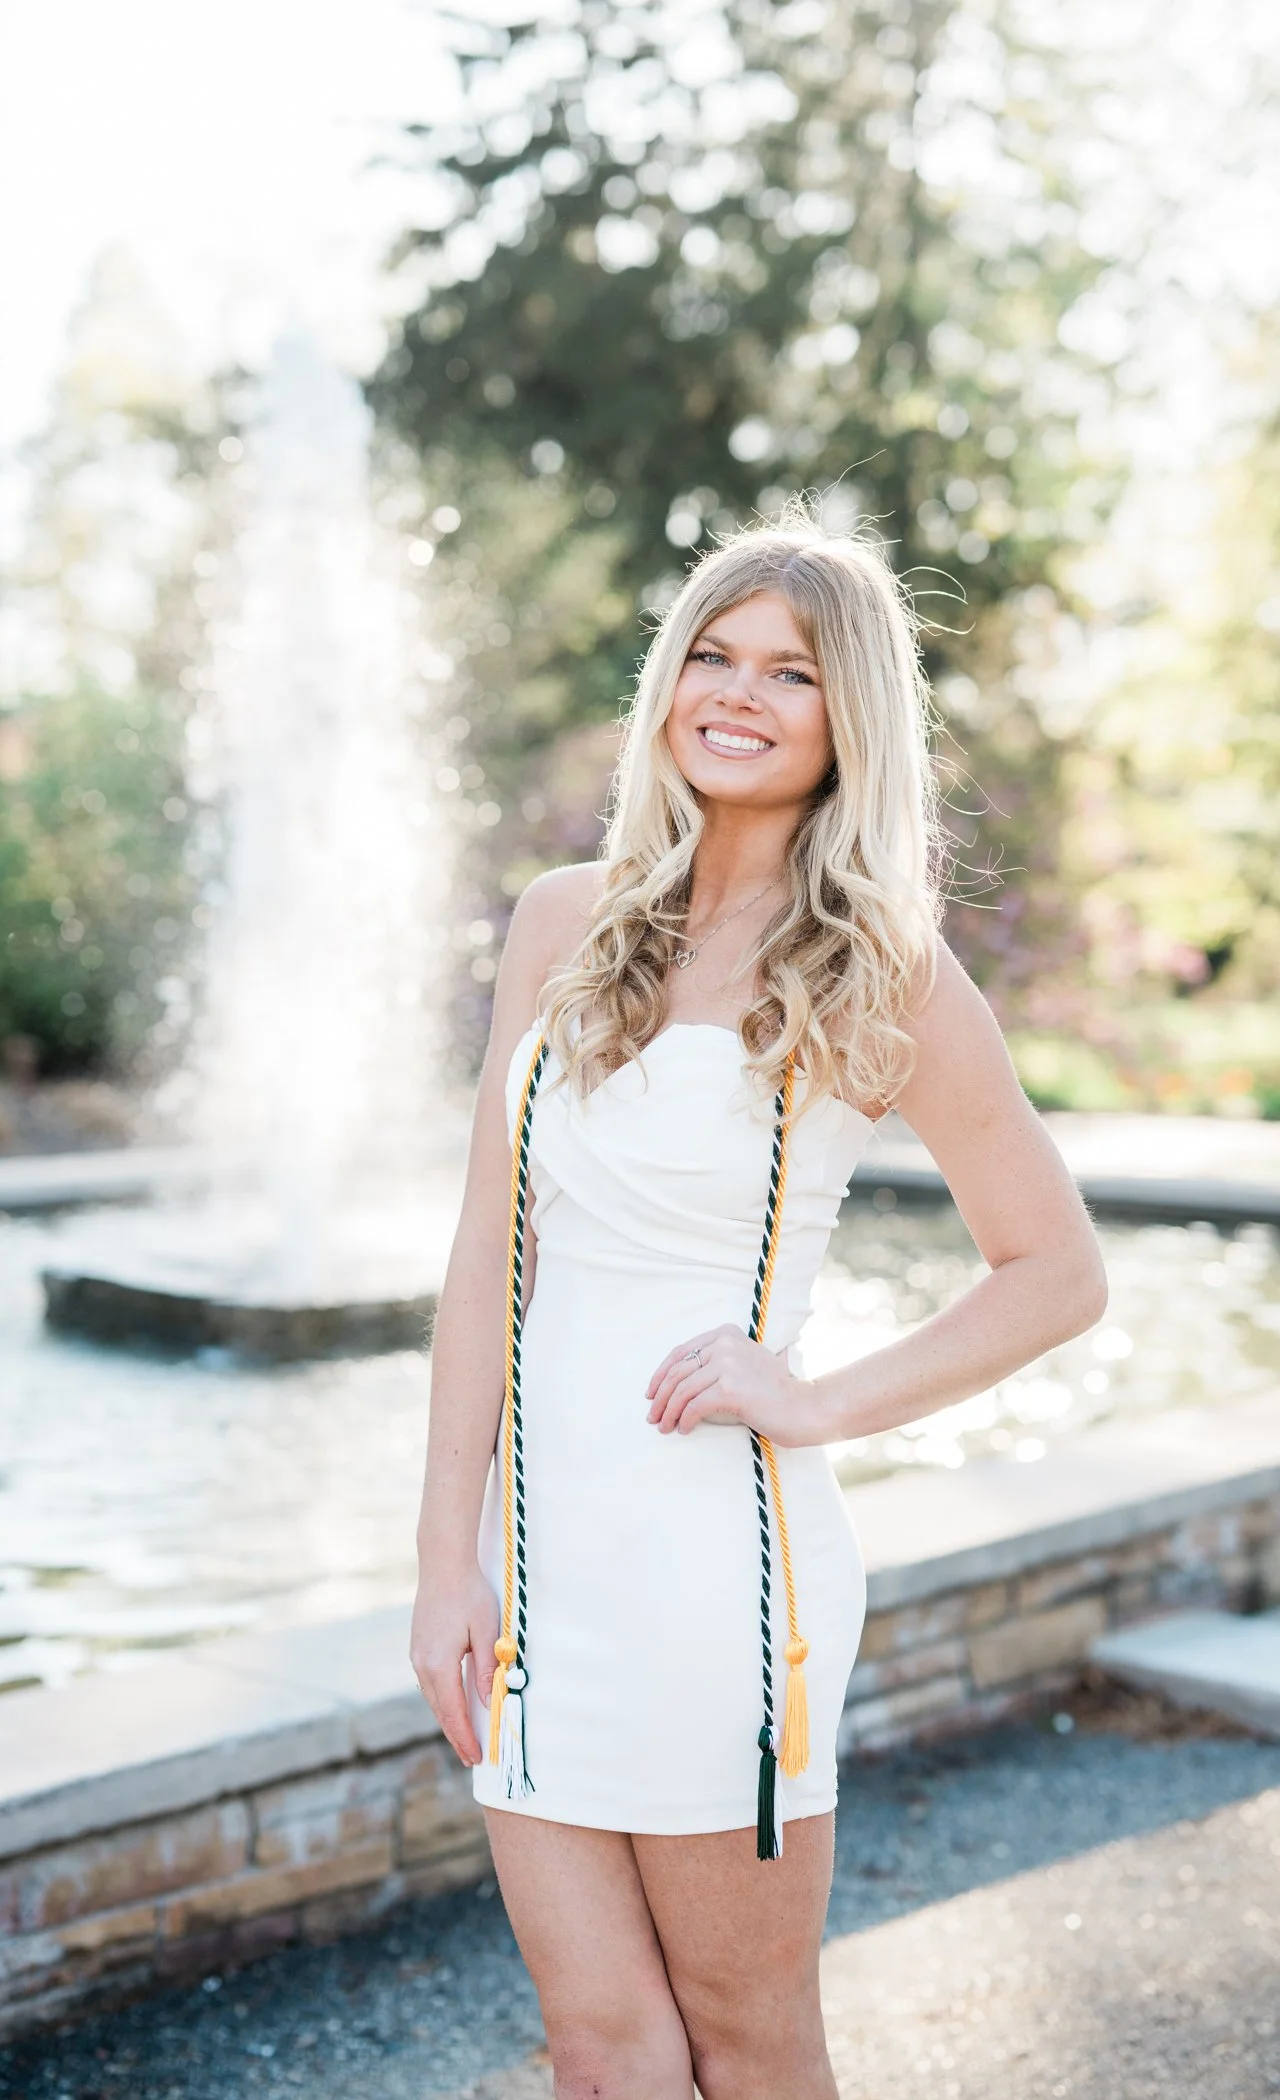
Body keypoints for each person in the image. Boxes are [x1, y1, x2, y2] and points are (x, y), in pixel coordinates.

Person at [411, 516, 1106, 2100]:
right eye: (714, 656)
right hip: (540, 1568)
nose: (738, 693)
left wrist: (817, 1397)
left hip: (718, 1575)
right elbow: (488, 1261)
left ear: (849, 717)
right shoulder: (562, 920)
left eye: (791, 673)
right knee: (599, 2055)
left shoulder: (885, 969)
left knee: (749, 2046)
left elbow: (1058, 1270)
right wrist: (444, 1555)